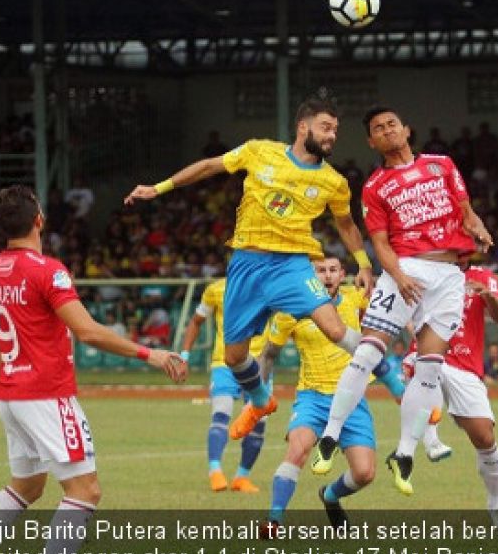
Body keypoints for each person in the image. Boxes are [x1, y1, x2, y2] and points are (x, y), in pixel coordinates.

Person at [124, 92, 379, 440]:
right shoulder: (260, 150)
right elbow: (209, 166)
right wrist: (159, 188)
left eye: (335, 129)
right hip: (246, 264)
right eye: (325, 127)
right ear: (303, 126)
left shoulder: (333, 181)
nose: (331, 135)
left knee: (335, 330)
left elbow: (347, 225)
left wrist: (363, 263)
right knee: (234, 357)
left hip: (292, 265)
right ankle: (260, 400)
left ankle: (399, 381)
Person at [0, 185, 186, 554]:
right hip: (45, 395)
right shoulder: (48, 271)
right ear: (39, 220)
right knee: (85, 490)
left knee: (28, 487)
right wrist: (149, 354)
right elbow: (87, 331)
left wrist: (13, 367)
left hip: (12, 395)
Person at [312, 105, 493, 496]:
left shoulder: (442, 165)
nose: (387, 130)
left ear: (407, 130)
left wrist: (479, 229)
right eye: (378, 128)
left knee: (429, 368)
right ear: (371, 142)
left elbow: (467, 213)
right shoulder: (376, 186)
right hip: (407, 268)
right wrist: (398, 276)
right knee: (368, 352)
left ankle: (405, 453)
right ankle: (330, 436)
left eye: (392, 124)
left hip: (449, 274)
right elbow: (379, 243)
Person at [258, 256, 380, 532]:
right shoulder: (290, 311)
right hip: (312, 397)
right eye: (320, 271)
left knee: (364, 473)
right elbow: (268, 355)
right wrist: (256, 398)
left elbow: (388, 307)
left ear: (342, 275)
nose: (327, 276)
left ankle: (330, 496)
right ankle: (274, 519)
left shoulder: (355, 298)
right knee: (298, 451)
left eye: (332, 270)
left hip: (351, 399)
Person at [409, 259, 498, 524]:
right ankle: (431, 440)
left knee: (484, 438)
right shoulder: (424, 270)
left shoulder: (484, 276)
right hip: (431, 351)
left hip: (465, 366)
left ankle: (495, 504)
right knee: (420, 370)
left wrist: (488, 295)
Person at [180, 278, 270, 493]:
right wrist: (184, 355)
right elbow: (196, 321)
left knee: (259, 421)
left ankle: (242, 477)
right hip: (225, 362)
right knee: (221, 413)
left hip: (260, 363)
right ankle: (215, 471)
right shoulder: (216, 289)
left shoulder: (270, 286)